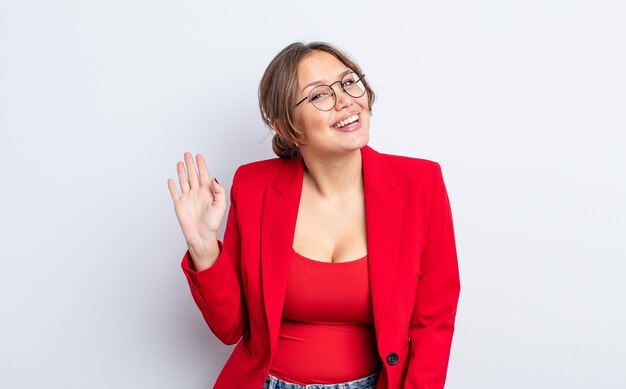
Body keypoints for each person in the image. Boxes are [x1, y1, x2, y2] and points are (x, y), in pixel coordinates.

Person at [167, 41, 460, 389]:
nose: (347, 100)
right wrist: (203, 247)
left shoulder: (420, 184)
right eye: (319, 95)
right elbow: (231, 329)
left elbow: (434, 321)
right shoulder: (253, 185)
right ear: (288, 126)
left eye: (349, 82)